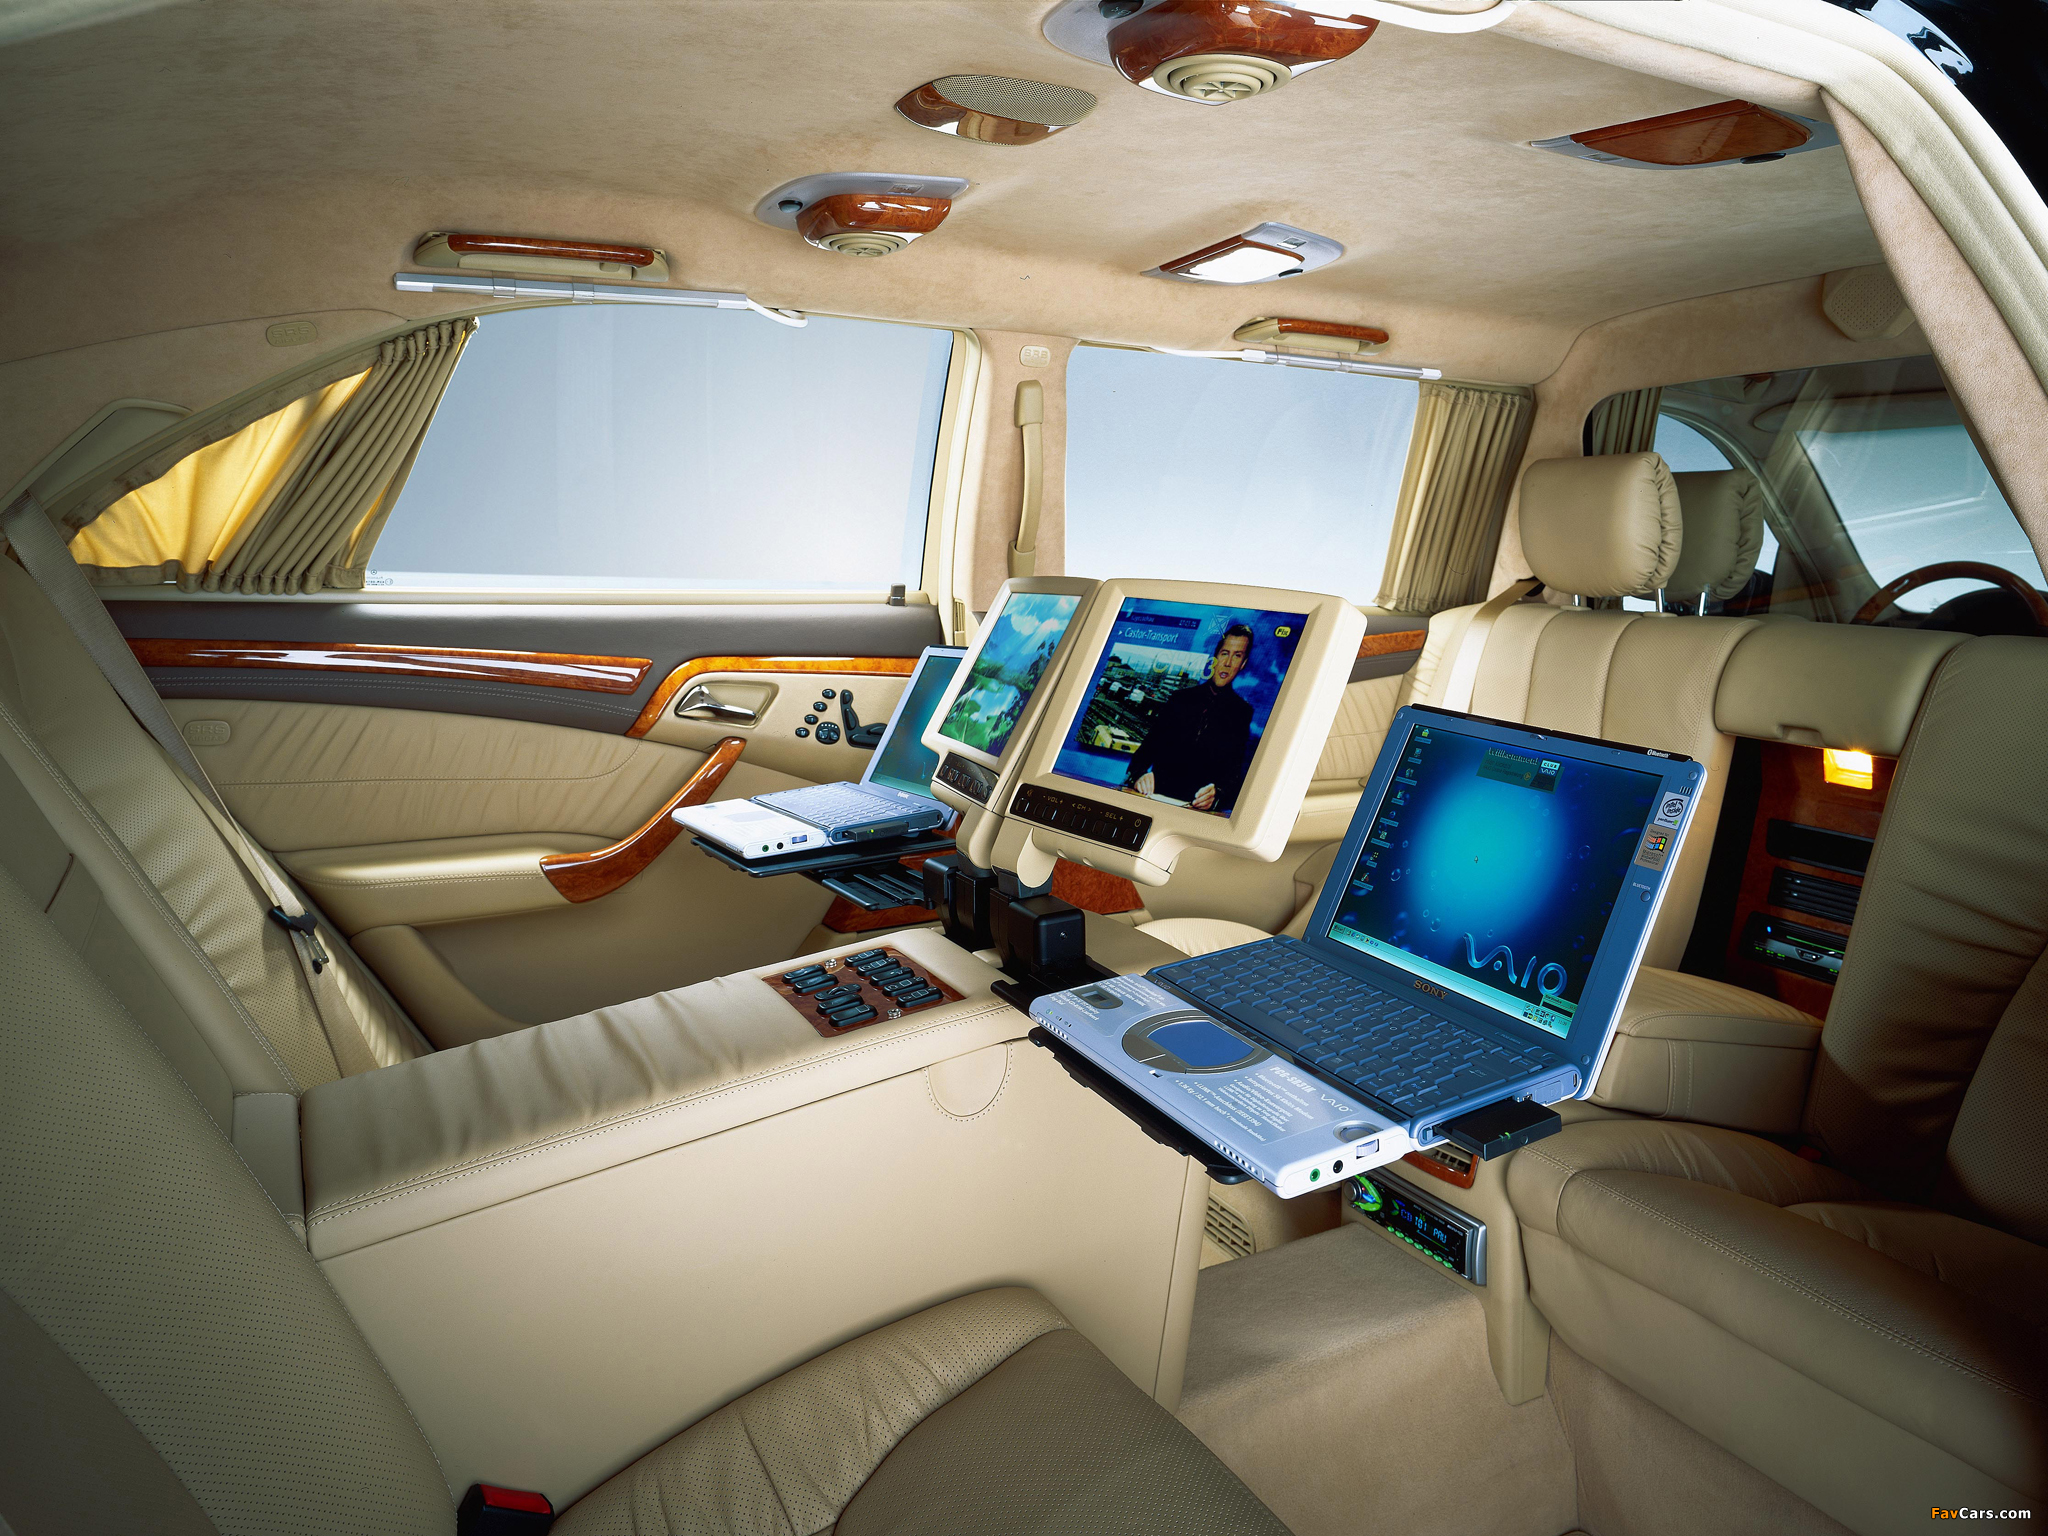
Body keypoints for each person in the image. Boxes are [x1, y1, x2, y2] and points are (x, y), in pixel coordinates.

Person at [1124, 623, 1255, 814]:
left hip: (1196, 813)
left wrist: (1217, 794)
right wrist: (1139, 775)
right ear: (1215, 658)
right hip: (1155, 803)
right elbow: (1143, 755)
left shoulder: (1242, 713)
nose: (1228, 662)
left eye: (1237, 655)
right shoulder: (1180, 699)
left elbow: (1233, 776)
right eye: (1225, 653)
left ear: (1243, 664)